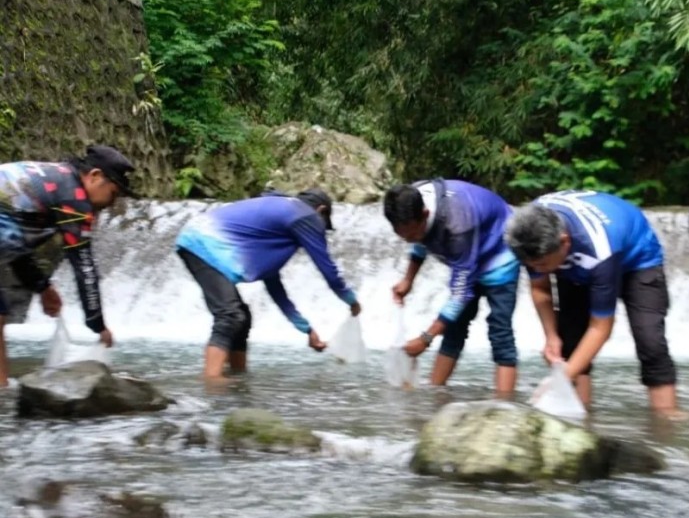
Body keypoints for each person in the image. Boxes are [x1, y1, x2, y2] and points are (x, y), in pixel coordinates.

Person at [505, 189, 679, 415]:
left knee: (650, 340)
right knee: (570, 343)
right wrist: (551, 335)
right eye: (532, 265)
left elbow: (601, 327)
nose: (537, 270)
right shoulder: (529, 235)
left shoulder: (599, 248)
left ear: (564, 242)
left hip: (637, 261)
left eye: (541, 264)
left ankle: (666, 420)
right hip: (573, 263)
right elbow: (540, 288)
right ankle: (579, 417)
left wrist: (560, 380)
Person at [175, 187, 361, 379]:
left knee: (242, 317)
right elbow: (328, 270)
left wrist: (307, 330)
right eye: (323, 224)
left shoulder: (275, 228)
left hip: (195, 240)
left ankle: (237, 378)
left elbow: (275, 289)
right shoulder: (305, 215)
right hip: (203, 245)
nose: (319, 230)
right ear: (321, 210)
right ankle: (212, 381)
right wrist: (351, 300)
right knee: (230, 316)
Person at [0, 145, 134, 387]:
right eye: (113, 194)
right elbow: (84, 266)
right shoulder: (74, 199)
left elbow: (12, 241)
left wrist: (42, 287)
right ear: (94, 176)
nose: (112, 204)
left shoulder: (58, 179)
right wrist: (99, 326)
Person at [383, 179, 519, 393]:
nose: (409, 240)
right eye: (403, 236)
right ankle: (436, 395)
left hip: (500, 252)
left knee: (500, 333)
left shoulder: (457, 223)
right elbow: (421, 240)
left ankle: (506, 409)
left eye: (412, 234)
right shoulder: (409, 199)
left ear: (425, 215)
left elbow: (460, 294)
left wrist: (425, 339)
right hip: (468, 251)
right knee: (454, 328)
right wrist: (408, 279)